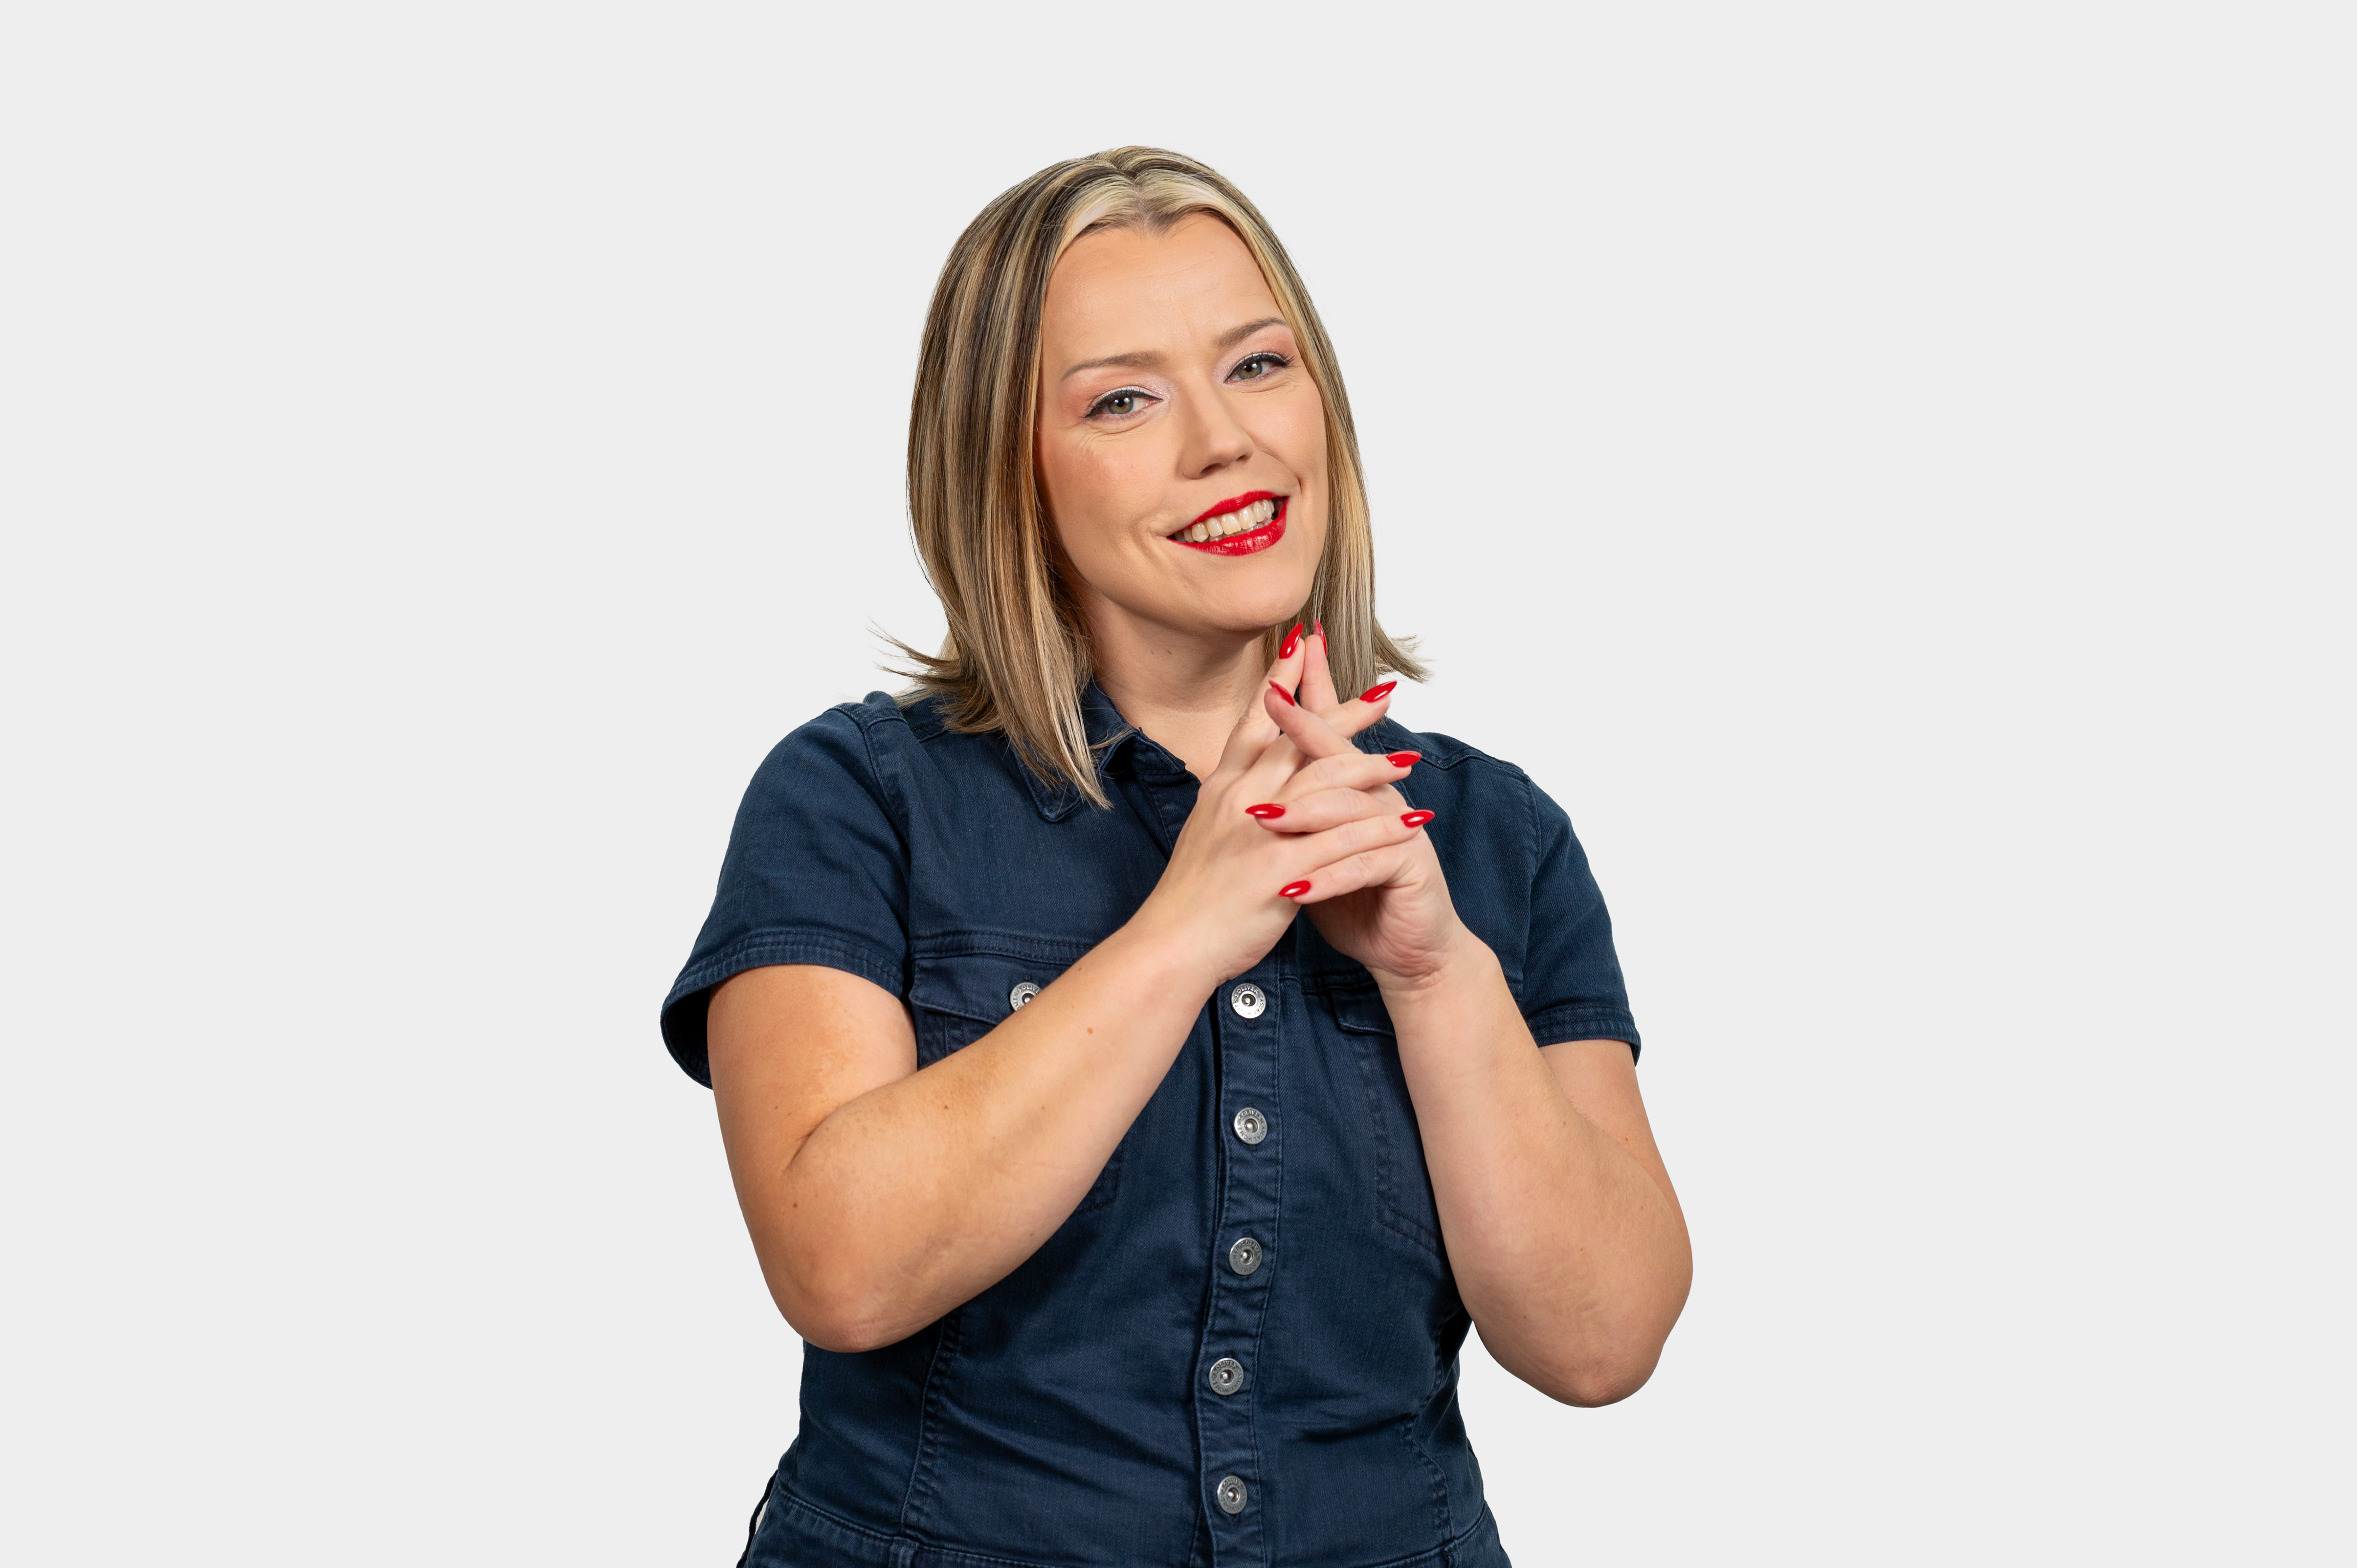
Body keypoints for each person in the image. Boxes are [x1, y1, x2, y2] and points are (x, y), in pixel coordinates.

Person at [661, 147, 1691, 1568]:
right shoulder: (855, 800)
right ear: (1009, 471)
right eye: (1124, 400)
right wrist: (1182, 931)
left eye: (1258, 366)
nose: (1224, 441)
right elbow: (842, 1270)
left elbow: (1600, 1342)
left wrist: (1435, 975)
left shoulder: (1498, 837)